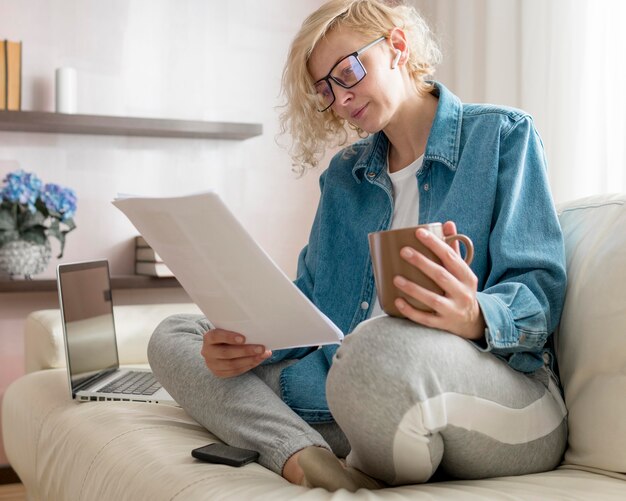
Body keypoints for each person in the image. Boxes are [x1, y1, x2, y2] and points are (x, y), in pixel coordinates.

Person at [148, 0, 568, 492]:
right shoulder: (344, 177)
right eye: (325, 89)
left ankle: (303, 438)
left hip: (498, 394)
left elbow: (539, 294)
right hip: (354, 393)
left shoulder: (501, 137)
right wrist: (250, 345)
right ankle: (301, 454)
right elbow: (309, 308)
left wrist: (474, 315)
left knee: (377, 346)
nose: (340, 99)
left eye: (347, 72)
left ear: (396, 46)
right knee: (176, 334)